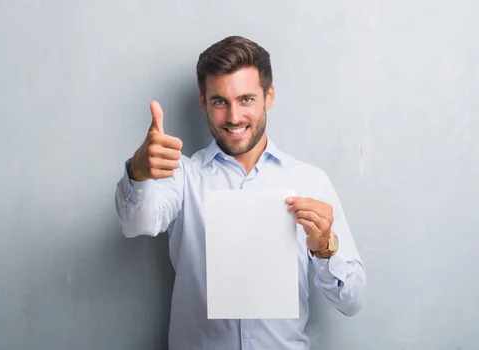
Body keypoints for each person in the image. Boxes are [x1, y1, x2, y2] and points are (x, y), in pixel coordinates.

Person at [114, 35, 366, 350]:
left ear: (269, 96)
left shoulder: (310, 181)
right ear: (204, 102)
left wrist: (324, 247)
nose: (233, 117)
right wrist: (138, 169)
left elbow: (352, 301)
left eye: (246, 99)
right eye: (220, 101)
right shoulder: (182, 176)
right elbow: (136, 223)